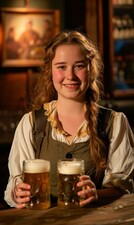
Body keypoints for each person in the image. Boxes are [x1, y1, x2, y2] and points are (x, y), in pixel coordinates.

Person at [4, 31, 134, 209]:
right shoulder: (31, 124)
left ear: (91, 70)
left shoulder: (114, 123)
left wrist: (97, 193)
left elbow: (124, 186)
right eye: (61, 67)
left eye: (79, 66)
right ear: (50, 71)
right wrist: (17, 192)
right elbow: (15, 183)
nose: (70, 76)